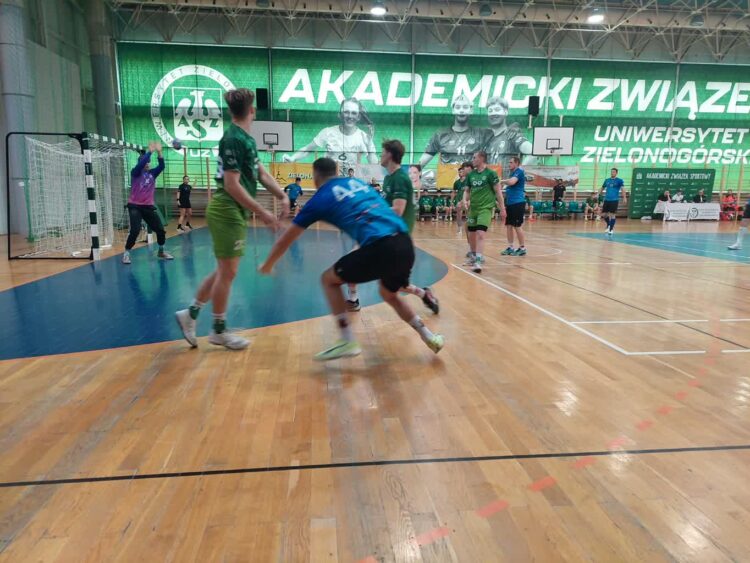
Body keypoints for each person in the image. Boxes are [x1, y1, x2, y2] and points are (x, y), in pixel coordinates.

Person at [258, 157, 444, 361]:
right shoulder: (357, 183)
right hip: (405, 243)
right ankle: (430, 337)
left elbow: (286, 239)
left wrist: (268, 264)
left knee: (328, 280)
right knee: (389, 294)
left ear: (315, 176)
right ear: (335, 171)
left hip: (380, 246)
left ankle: (347, 340)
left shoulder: (321, 197)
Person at [175, 88, 289, 350]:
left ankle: (190, 314)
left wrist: (282, 195)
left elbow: (261, 174)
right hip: (227, 209)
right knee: (228, 272)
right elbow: (231, 184)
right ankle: (218, 330)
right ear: (252, 111)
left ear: (231, 111)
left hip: (233, 210)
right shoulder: (233, 139)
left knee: (223, 271)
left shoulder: (246, 139)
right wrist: (263, 212)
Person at [346, 140, 439, 315]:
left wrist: (370, 211)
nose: (380, 156)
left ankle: (354, 299)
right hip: (383, 233)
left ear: (389, 154)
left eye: (382, 153)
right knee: (361, 264)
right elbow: (385, 206)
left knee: (390, 283)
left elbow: (397, 210)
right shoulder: (389, 178)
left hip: (396, 237)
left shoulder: (400, 178)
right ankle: (353, 299)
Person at [282, 98, 377, 166]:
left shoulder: (364, 137)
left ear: (358, 117)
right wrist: (293, 158)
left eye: (354, 113)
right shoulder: (327, 132)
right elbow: (308, 149)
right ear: (340, 114)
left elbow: (374, 164)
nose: (350, 116)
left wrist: (369, 145)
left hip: (350, 184)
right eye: (346, 112)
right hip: (330, 181)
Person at [122, 142, 172, 264]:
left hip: (148, 207)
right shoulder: (135, 172)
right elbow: (141, 163)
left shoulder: (152, 174)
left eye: (149, 162)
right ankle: (126, 253)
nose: (148, 164)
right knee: (135, 230)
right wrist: (150, 151)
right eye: (146, 162)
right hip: (135, 206)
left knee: (160, 230)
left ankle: (161, 251)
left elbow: (162, 166)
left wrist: (159, 152)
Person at [462, 151, 505, 273]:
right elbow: (467, 191)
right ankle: (473, 256)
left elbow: (498, 192)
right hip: (473, 209)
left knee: (480, 233)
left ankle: (478, 261)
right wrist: (465, 200)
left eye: (474, 157)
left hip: (485, 209)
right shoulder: (471, 175)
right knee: (471, 234)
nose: (473, 160)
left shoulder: (491, 174)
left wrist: (502, 208)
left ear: (481, 158)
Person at [418, 95, 490, 167]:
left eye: (465, 107)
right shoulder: (440, 135)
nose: (461, 110)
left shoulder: (480, 135)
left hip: (470, 174)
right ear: (453, 110)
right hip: (447, 174)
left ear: (471, 110)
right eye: (458, 107)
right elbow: (422, 162)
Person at [483, 96, 533, 173]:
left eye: (497, 110)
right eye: (490, 111)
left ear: (506, 112)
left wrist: (518, 174)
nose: (493, 113)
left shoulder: (511, 134)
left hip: (506, 180)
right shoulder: (486, 138)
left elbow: (533, 152)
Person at [499, 156, 527, 256]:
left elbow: (511, 182)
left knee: (517, 226)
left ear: (516, 163)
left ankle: (522, 248)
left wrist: (501, 181)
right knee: (509, 226)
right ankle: (510, 247)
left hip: (517, 203)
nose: (509, 164)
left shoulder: (519, 171)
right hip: (510, 203)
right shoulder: (513, 173)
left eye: (511, 162)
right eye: (509, 162)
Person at [600, 167, 626, 236]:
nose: (612, 173)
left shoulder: (619, 180)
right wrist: (598, 194)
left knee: (612, 215)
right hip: (606, 200)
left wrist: (624, 197)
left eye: (614, 172)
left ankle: (611, 229)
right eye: (611, 172)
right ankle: (609, 224)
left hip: (614, 200)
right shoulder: (607, 180)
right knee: (604, 215)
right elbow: (602, 188)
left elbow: (623, 189)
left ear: (616, 173)